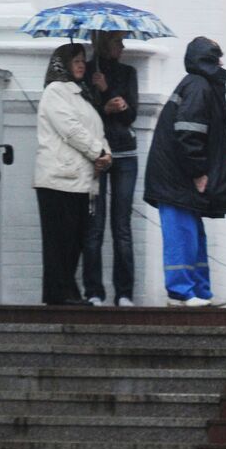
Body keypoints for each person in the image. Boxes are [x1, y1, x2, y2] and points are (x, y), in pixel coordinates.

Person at [143, 37, 226, 308]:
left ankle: (200, 292)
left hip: (174, 177)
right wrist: (198, 171)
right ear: (208, 59)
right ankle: (182, 292)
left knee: (192, 235)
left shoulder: (195, 84)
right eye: (217, 56)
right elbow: (189, 133)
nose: (221, 62)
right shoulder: (200, 86)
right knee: (182, 235)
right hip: (178, 179)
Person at [34, 43, 108, 306]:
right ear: (62, 63)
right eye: (75, 60)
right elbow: (71, 129)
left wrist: (105, 155)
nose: (81, 65)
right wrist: (98, 153)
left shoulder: (81, 94)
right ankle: (57, 294)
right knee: (59, 241)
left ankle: (68, 291)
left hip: (80, 181)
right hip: (58, 180)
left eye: (83, 61)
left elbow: (96, 130)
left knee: (75, 240)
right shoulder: (56, 92)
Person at [82, 31, 138, 307]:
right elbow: (82, 116)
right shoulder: (86, 72)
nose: (123, 46)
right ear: (103, 43)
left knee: (121, 225)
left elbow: (131, 115)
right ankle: (94, 291)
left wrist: (108, 91)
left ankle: (124, 292)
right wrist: (103, 103)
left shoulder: (128, 73)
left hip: (125, 154)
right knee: (94, 226)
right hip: (96, 154)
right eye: (118, 41)